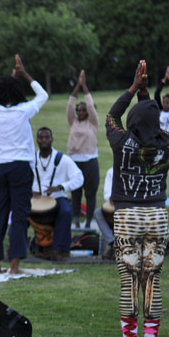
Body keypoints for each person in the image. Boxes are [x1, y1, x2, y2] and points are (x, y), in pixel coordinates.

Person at [106, 60, 169, 337]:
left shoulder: (121, 142)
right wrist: (146, 97)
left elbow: (111, 116)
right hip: (157, 216)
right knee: (153, 281)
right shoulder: (166, 145)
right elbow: (151, 122)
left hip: (128, 216)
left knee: (129, 281)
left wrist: (134, 88)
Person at [0, 55, 48, 274]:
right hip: (21, 168)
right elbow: (43, 95)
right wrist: (24, 74)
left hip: (1, 168)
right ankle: (14, 266)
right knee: (20, 216)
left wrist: (11, 77)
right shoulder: (23, 112)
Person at [31, 127, 84, 261]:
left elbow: (79, 177)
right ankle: (13, 247)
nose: (44, 140)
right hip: (35, 198)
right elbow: (20, 179)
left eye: (46, 137)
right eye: (41, 137)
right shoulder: (30, 160)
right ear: (37, 140)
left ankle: (59, 249)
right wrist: (30, 191)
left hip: (57, 197)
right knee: (18, 211)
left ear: (51, 139)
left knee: (65, 212)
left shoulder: (62, 159)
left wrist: (61, 187)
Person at [66, 70, 100, 229]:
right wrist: (77, 87)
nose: (80, 112)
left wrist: (84, 86)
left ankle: (88, 222)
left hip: (90, 162)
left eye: (83, 110)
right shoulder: (73, 122)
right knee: (76, 193)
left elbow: (91, 105)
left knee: (90, 194)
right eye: (79, 110)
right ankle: (77, 221)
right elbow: (69, 104)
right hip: (74, 162)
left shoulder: (93, 123)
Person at [154, 66, 169, 200]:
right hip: (161, 146)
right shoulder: (160, 111)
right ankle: (159, 196)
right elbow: (157, 94)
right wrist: (164, 81)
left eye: (168, 102)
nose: (165, 104)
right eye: (164, 102)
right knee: (160, 173)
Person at [92, 167, 115, 259]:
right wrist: (111, 197)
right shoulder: (111, 171)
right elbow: (107, 193)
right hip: (116, 204)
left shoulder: (134, 170)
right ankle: (112, 242)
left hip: (130, 204)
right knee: (98, 213)